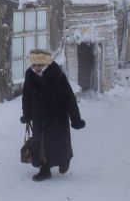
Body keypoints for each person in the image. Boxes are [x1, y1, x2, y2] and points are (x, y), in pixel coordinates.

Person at [20, 48, 85, 181]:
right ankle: (44, 170)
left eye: (40, 65)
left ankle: (64, 161)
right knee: (41, 144)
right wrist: (26, 115)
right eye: (34, 65)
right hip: (39, 116)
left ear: (46, 64)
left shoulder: (57, 74)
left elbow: (69, 97)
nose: (37, 68)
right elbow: (26, 97)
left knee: (60, 142)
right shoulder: (29, 75)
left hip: (57, 115)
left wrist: (75, 119)